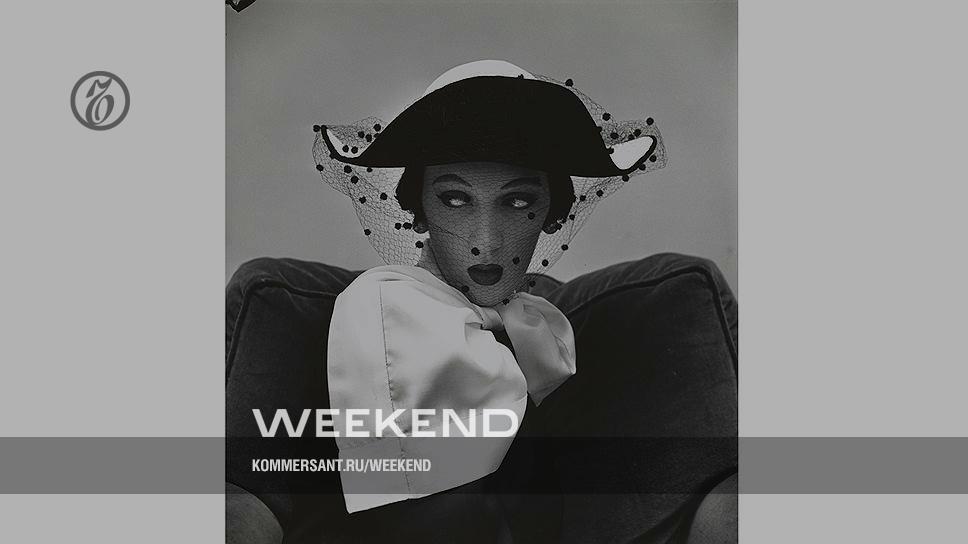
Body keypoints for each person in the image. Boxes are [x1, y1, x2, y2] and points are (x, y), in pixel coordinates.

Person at [227, 60, 736, 543]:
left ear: (551, 215)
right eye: (455, 199)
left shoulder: (540, 335)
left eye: (518, 201)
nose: (486, 242)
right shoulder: (382, 315)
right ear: (418, 210)